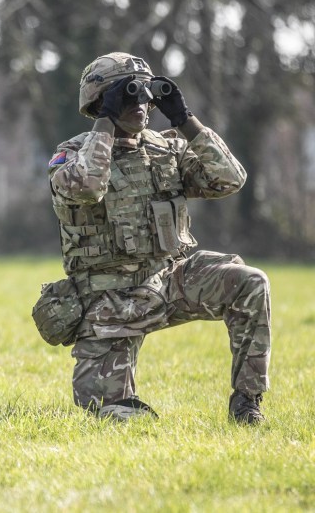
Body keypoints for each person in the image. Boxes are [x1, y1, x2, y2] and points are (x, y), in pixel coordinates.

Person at [42, 52, 271, 423]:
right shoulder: (72, 153)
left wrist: (185, 121)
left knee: (250, 283)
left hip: (172, 280)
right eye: (128, 95)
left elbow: (230, 179)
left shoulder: (167, 148)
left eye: (145, 94)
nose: (141, 104)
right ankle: (118, 400)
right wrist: (105, 123)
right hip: (110, 299)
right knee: (111, 410)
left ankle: (246, 401)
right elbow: (85, 188)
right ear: (101, 101)